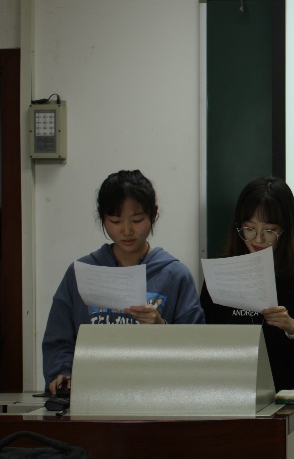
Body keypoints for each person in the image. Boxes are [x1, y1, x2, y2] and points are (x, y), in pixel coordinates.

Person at [42, 169, 205, 394]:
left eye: (137, 220)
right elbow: (59, 340)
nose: (127, 231)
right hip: (92, 396)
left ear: (154, 215)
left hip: (158, 396)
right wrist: (62, 372)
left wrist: (161, 328)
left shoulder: (175, 275)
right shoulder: (81, 273)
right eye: (115, 221)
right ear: (102, 218)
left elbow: (196, 348)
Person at [200, 176, 294, 393]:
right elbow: (205, 343)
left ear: (286, 230)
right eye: (249, 229)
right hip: (232, 393)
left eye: (269, 231)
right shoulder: (221, 274)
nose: (258, 239)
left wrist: (291, 326)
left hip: (289, 397)